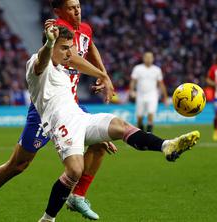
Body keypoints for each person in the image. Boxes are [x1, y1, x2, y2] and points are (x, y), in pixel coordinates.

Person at [0, 0, 115, 221]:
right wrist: (103, 76)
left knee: (101, 143)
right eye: (71, 7)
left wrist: (103, 71)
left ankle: (78, 196)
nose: (77, 10)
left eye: (78, 5)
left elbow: (89, 45)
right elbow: (73, 59)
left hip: (71, 105)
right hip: (46, 109)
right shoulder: (58, 29)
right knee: (17, 165)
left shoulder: (85, 29)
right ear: (58, 11)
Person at [33, 25, 200, 222]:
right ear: (50, 46)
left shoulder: (62, 70)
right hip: (59, 122)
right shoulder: (36, 63)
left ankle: (166, 145)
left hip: (79, 117)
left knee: (120, 125)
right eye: (64, 48)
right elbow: (42, 62)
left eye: (70, 47)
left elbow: (74, 88)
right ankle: (47, 219)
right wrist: (50, 42)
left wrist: (101, 77)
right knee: (75, 170)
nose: (69, 52)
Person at [129, 52, 168, 132]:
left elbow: (161, 84)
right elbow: (133, 81)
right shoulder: (138, 68)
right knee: (139, 117)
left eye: (150, 57)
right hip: (140, 95)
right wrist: (131, 91)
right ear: (143, 58)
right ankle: (142, 133)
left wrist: (165, 97)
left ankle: (149, 135)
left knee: (151, 114)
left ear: (153, 59)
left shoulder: (157, 70)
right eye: (147, 57)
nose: (148, 59)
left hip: (152, 95)